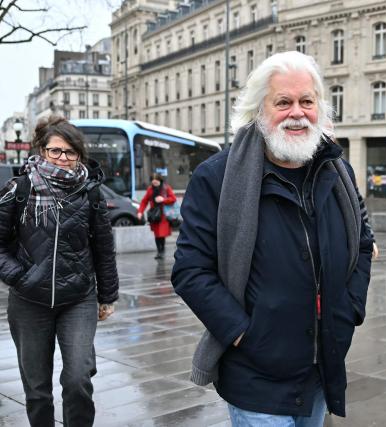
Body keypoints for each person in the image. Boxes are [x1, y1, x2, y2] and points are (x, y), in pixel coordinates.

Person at [171, 51, 373, 426]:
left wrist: (350, 310)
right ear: (258, 110)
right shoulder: (217, 177)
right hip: (256, 374)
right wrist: (244, 334)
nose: (297, 112)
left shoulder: (338, 171)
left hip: (320, 366)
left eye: (307, 101)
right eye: (283, 102)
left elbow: (363, 242)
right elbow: (190, 271)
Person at [0, 116, 119, 426]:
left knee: (78, 379)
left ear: (79, 154)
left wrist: (107, 296)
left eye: (70, 152)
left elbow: (103, 248)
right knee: (37, 390)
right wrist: (19, 277)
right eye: (55, 151)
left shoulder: (90, 192)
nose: (63, 158)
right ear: (42, 151)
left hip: (77, 299)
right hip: (28, 301)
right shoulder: (20, 188)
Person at [137, 173, 177, 259]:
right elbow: (144, 201)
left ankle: (161, 251)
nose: (154, 184)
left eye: (156, 182)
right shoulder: (150, 189)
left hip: (163, 215)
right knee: (156, 234)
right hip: (154, 215)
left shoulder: (166, 188)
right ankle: (159, 251)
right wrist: (140, 212)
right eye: (153, 182)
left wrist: (163, 199)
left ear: (160, 181)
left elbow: (173, 199)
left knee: (161, 234)